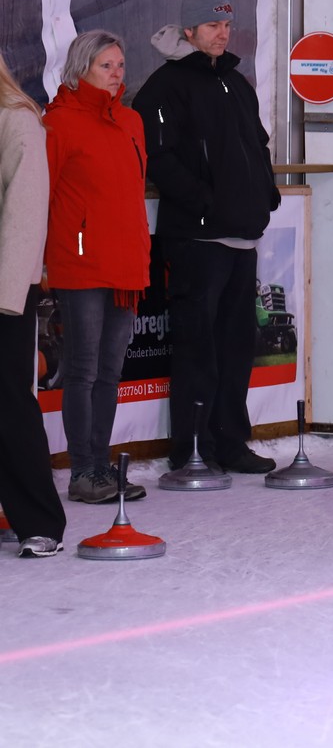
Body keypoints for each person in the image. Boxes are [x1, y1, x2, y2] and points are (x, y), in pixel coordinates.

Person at [132, 0, 281, 474]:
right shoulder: (164, 86)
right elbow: (157, 157)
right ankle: (192, 450)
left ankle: (231, 444)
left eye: (227, 24)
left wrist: (265, 193)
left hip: (242, 236)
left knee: (236, 348)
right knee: (198, 351)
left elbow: (258, 145)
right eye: (213, 25)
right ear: (189, 30)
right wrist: (206, 202)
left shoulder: (236, 82)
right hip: (197, 240)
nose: (223, 33)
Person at [44, 30, 150, 504]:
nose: (115, 74)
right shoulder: (58, 122)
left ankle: (102, 466)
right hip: (81, 265)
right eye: (106, 65)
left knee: (110, 371)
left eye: (120, 65)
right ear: (80, 68)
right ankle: (83, 472)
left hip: (126, 265)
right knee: (83, 371)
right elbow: (41, 196)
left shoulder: (131, 120)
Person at [0, 48, 68, 558]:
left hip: (4, 292)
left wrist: (7, 296)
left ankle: (39, 522)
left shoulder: (17, 120)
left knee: (9, 405)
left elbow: (25, 215)